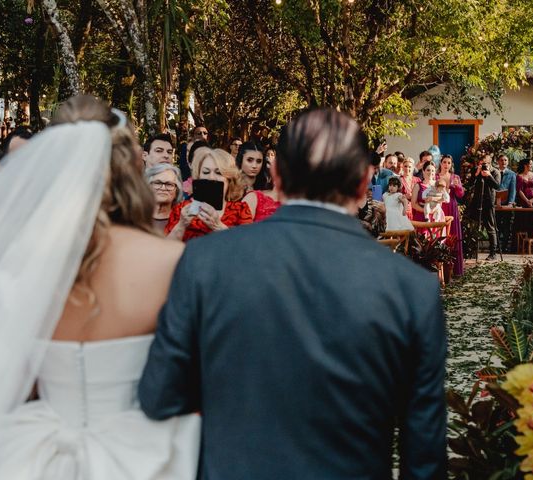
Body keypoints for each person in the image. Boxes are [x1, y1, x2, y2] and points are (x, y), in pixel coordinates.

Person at [139, 108, 447, 480]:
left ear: (279, 176)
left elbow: (160, 396)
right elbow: (424, 456)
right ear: (365, 181)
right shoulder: (413, 288)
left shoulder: (206, 261)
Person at [0, 95, 200, 479]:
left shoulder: (17, 262)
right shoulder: (170, 262)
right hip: (146, 452)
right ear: (130, 168)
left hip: (31, 451)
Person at [165, 147, 252, 242]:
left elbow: (248, 249)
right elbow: (165, 250)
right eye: (206, 172)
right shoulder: (181, 209)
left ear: (229, 179)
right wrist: (181, 225)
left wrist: (218, 226)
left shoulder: (240, 210)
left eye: (218, 173)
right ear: (198, 176)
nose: (211, 177)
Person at [467, 154, 501, 261]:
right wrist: (476, 174)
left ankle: (493, 253)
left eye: (485, 163)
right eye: (481, 163)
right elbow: (469, 185)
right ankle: (471, 251)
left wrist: (489, 175)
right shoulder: (476, 170)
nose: (483, 165)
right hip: (477, 201)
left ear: (490, 162)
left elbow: (497, 186)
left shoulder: (495, 172)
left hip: (488, 202)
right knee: (473, 226)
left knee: (490, 227)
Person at [437, 154, 464, 275]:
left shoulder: (455, 177)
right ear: (440, 163)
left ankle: (455, 269)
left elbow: (460, 194)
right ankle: (441, 269)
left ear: (451, 164)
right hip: (440, 206)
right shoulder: (436, 176)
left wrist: (457, 186)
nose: (446, 165)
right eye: (444, 162)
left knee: (453, 235)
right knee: (440, 235)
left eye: (449, 163)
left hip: (452, 206)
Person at [145, 163, 184, 231]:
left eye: (169, 184)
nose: (163, 188)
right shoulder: (135, 218)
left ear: (177, 191)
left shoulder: (183, 221)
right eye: (157, 183)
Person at [516, 158, 533, 235]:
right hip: (523, 202)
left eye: (532, 164)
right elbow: (519, 190)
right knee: (524, 223)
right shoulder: (519, 176)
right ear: (525, 165)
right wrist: (527, 201)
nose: (531, 166)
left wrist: (532, 200)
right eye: (530, 164)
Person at [496, 154, 516, 252]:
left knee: (506, 226)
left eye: (505, 160)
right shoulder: (494, 172)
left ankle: (504, 247)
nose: (503, 162)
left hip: (506, 203)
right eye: (501, 160)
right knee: (496, 225)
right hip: (496, 203)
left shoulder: (512, 174)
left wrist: (511, 202)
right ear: (498, 162)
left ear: (507, 162)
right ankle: (496, 246)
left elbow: (513, 189)